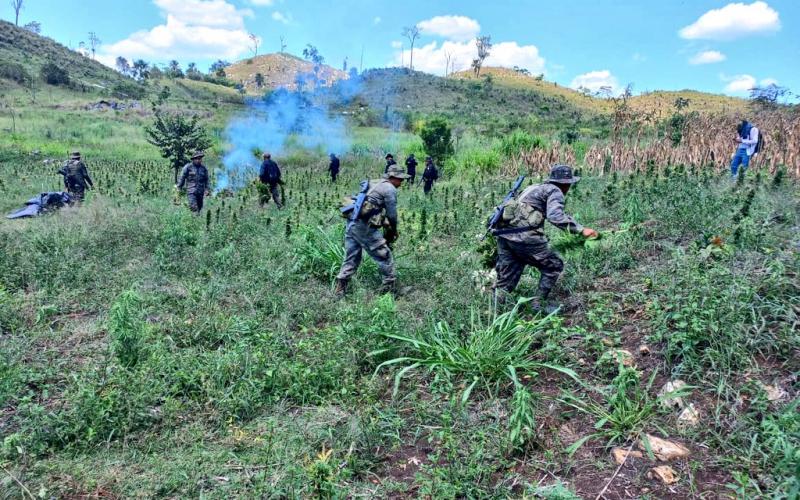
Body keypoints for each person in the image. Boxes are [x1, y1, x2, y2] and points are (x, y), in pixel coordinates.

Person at [492, 164, 597, 314]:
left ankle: (494, 312)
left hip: (505, 236)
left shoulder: (534, 187)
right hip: (525, 238)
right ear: (566, 184)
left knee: (506, 278)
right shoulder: (555, 191)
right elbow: (556, 216)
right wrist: (581, 230)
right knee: (554, 265)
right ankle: (538, 305)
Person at [335, 165, 411, 297]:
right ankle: (390, 289)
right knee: (384, 255)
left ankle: (340, 290)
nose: (401, 183)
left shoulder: (375, 182)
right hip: (365, 226)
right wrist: (393, 230)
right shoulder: (390, 188)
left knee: (351, 257)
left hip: (352, 222)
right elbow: (392, 215)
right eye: (400, 179)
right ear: (393, 177)